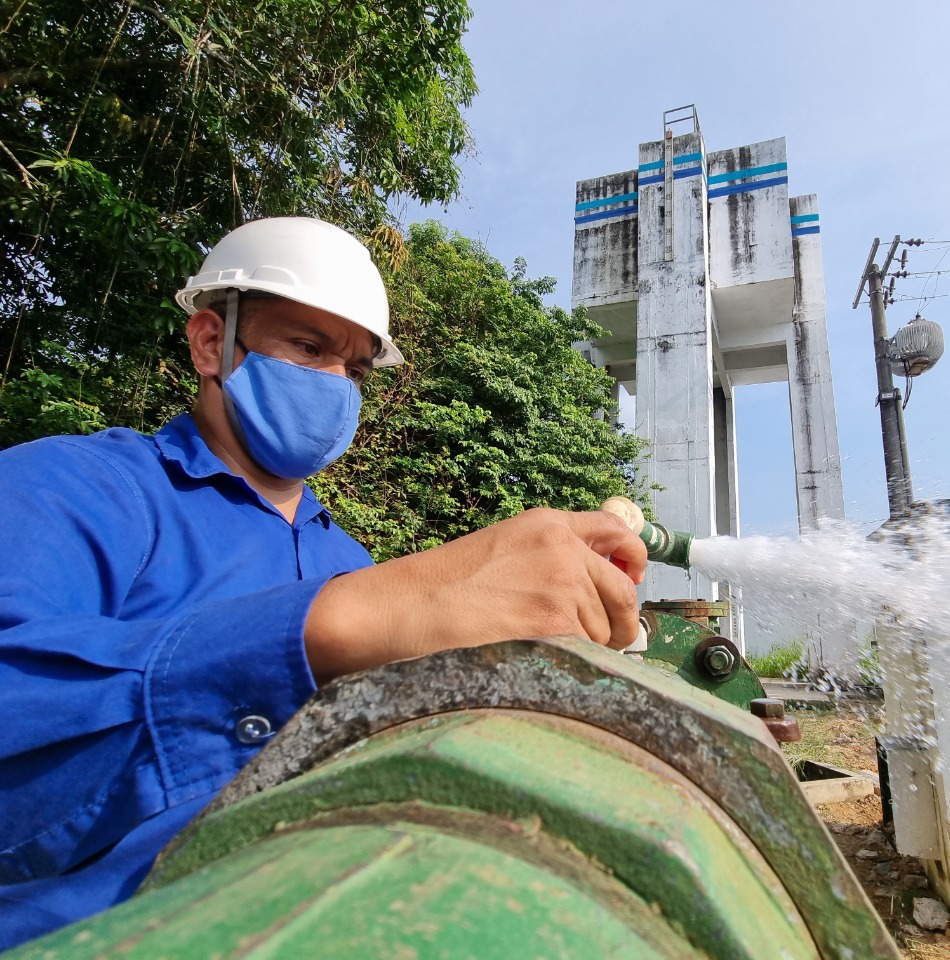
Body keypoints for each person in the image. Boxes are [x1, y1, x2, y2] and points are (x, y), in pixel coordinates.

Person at [0, 217, 647, 949]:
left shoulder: (354, 563)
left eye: (358, 369)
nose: (337, 385)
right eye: (308, 348)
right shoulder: (75, 489)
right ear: (211, 342)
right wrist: (320, 631)